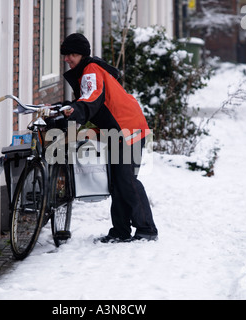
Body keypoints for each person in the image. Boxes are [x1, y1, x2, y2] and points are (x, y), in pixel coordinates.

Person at [60, 33, 158, 243]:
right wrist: (65, 108)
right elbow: (88, 100)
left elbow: (92, 97)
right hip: (116, 129)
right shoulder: (85, 71)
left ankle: (147, 229)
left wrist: (76, 108)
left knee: (126, 180)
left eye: (72, 54)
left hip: (127, 127)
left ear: (83, 54)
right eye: (66, 54)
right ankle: (121, 230)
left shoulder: (90, 70)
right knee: (116, 182)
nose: (68, 58)